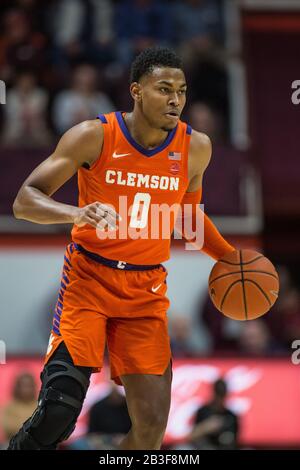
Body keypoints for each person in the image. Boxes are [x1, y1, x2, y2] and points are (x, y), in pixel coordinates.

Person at [9, 46, 235, 450]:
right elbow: (24, 201)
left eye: (181, 91)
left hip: (145, 291)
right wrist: (73, 213)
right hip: (89, 280)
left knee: (150, 430)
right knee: (58, 412)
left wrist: (231, 260)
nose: (175, 100)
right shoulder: (92, 135)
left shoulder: (196, 147)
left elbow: (187, 219)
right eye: (164, 89)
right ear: (136, 90)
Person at [188, 378, 239, 449]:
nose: (220, 399)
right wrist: (206, 427)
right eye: (218, 394)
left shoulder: (231, 416)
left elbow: (236, 440)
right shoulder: (203, 411)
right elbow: (190, 436)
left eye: (222, 395)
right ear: (214, 393)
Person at [2, 372, 37, 444]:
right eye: (24, 386)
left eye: (29, 386)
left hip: (35, 444)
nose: (27, 389)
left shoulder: (39, 406)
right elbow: (8, 428)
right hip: (14, 443)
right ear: (17, 387)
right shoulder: (10, 407)